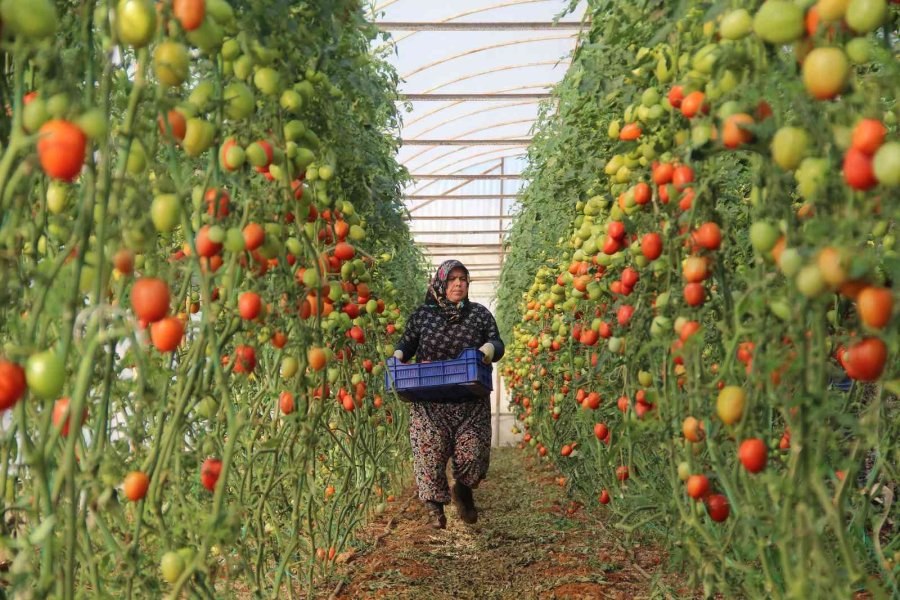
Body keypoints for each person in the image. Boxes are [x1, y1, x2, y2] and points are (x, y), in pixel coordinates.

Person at [392, 260, 505, 529]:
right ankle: (435, 509)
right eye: (452, 279)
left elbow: (497, 342)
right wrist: (397, 357)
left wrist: (487, 350)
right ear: (441, 283)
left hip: (470, 401)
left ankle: (463, 490)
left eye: (463, 279)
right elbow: (406, 344)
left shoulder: (479, 314)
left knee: (473, 455)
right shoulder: (422, 316)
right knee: (429, 456)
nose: (458, 284)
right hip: (430, 401)